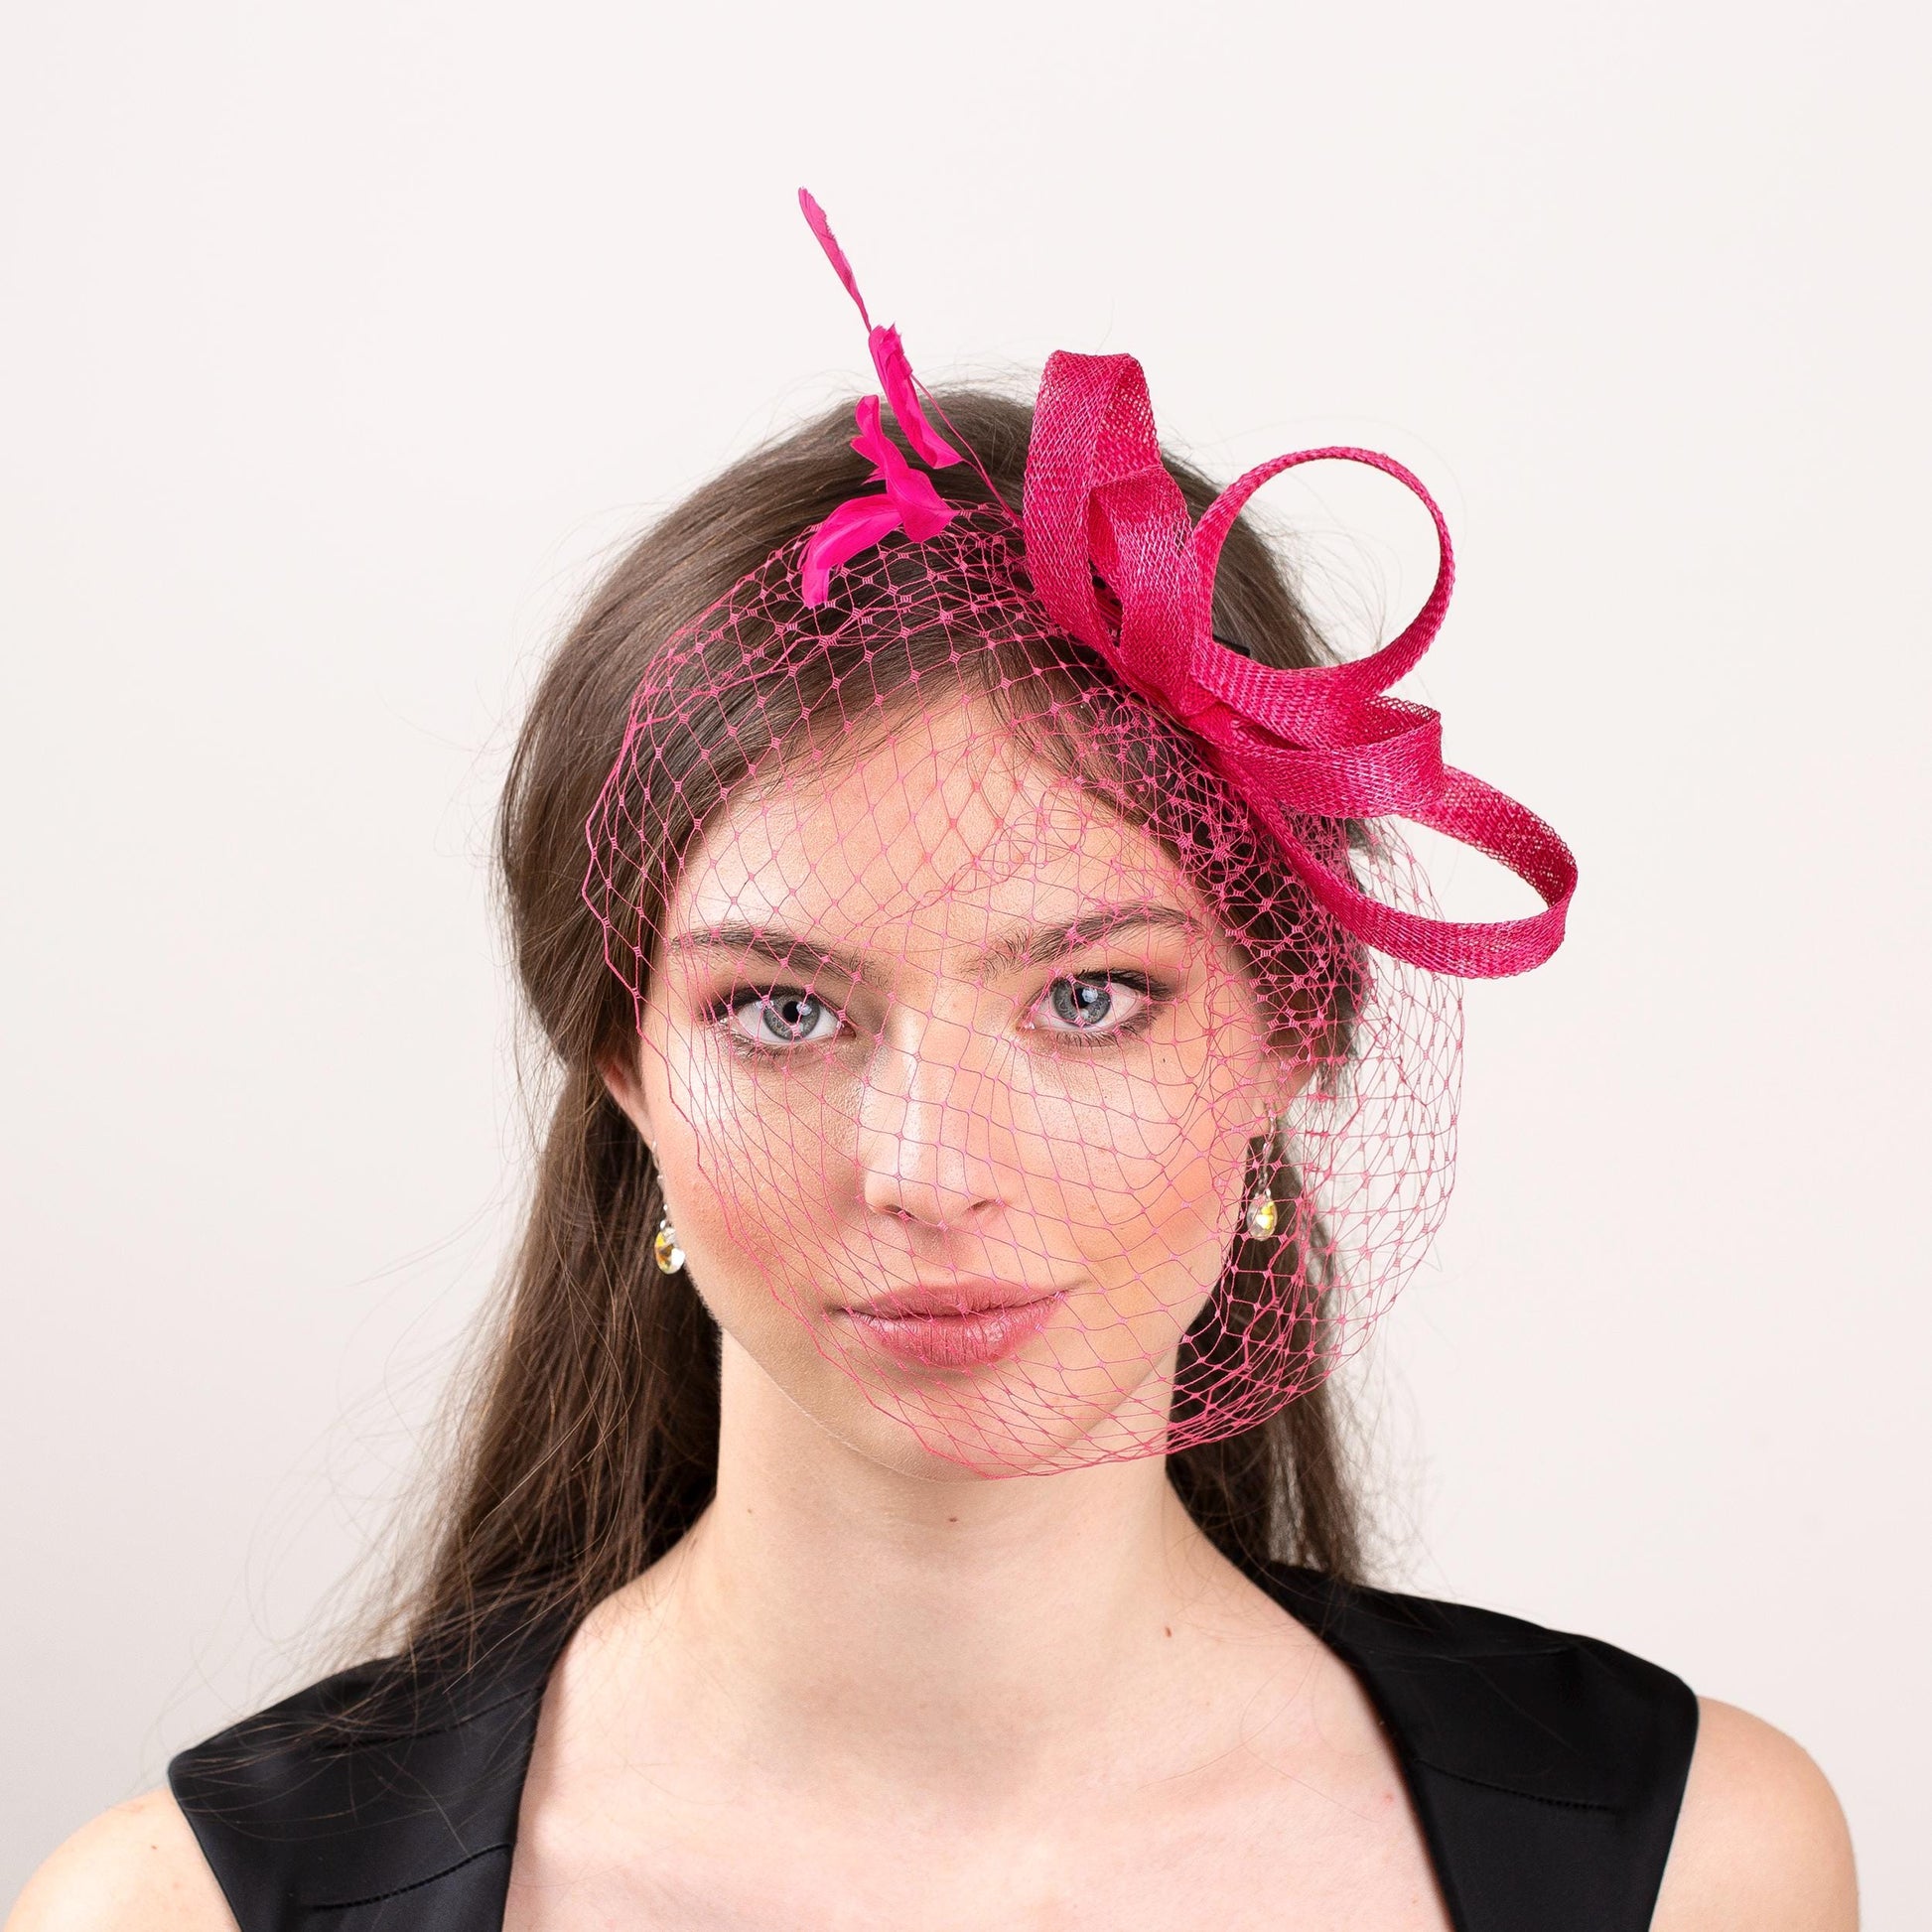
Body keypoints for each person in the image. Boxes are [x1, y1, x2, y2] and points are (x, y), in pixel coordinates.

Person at [9, 198, 1856, 1932]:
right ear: (624, 1069)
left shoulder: (1695, 1860)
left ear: (1288, 1027)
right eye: (783, 1010)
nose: (928, 1169)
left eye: (1088, 996)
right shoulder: (173, 1908)